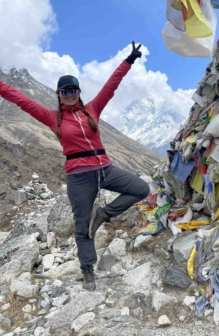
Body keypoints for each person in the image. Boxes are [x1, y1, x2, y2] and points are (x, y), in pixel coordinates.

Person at [0, 42, 150, 290]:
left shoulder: (92, 109)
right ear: (59, 94)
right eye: (65, 90)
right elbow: (21, 100)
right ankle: (87, 269)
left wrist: (128, 60)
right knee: (82, 224)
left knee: (140, 189)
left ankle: (103, 214)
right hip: (79, 177)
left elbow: (110, 86)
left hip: (105, 169)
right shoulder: (51, 117)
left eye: (74, 90)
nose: (70, 94)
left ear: (79, 92)